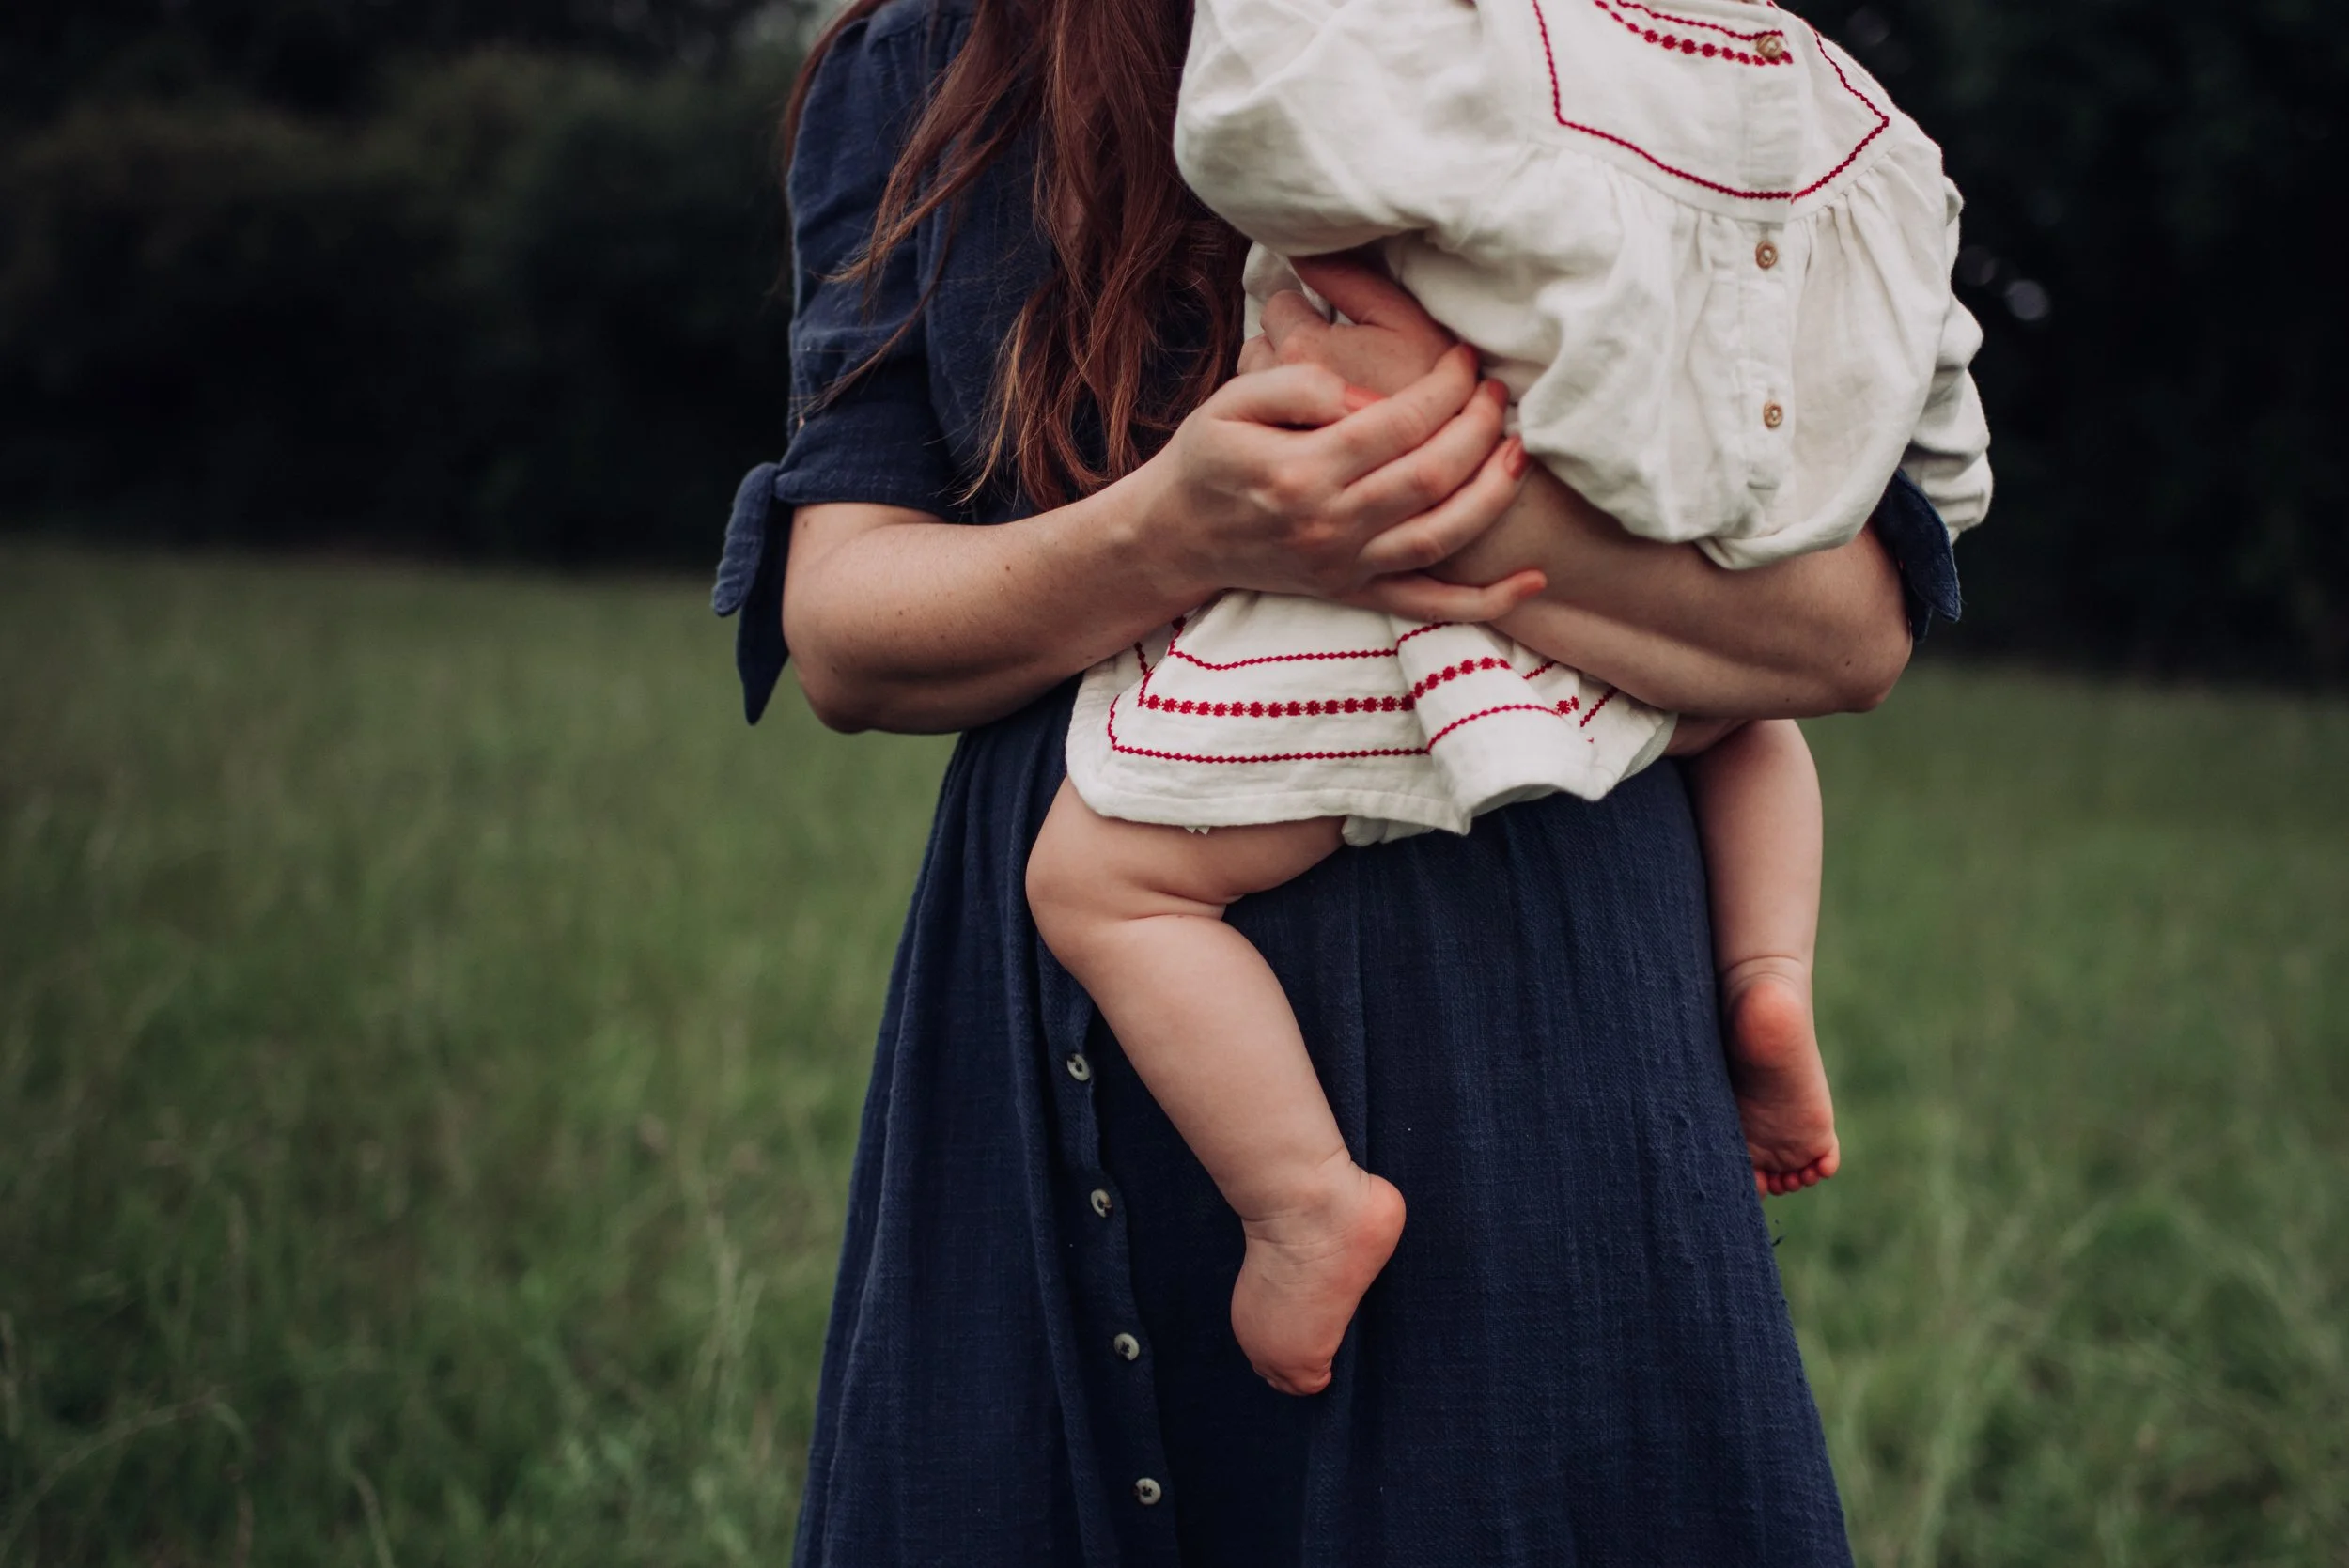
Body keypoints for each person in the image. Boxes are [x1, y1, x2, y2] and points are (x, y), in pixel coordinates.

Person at [713, 0, 1962, 1560]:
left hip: (1550, 999)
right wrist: (1180, 532)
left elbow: (1849, 631)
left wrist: (1399, 484)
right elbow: (843, 633)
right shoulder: (937, 56)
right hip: (1091, 1039)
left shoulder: (1620, 37)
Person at [1023, 0, 1991, 1395]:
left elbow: (1249, 140)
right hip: (1679, 621)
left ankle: (1303, 1200)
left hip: (1416, 595)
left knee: (1107, 884)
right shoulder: (1860, 124)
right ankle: (1770, 978)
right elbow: (1939, 434)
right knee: (1744, 729)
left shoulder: (1473, 45)